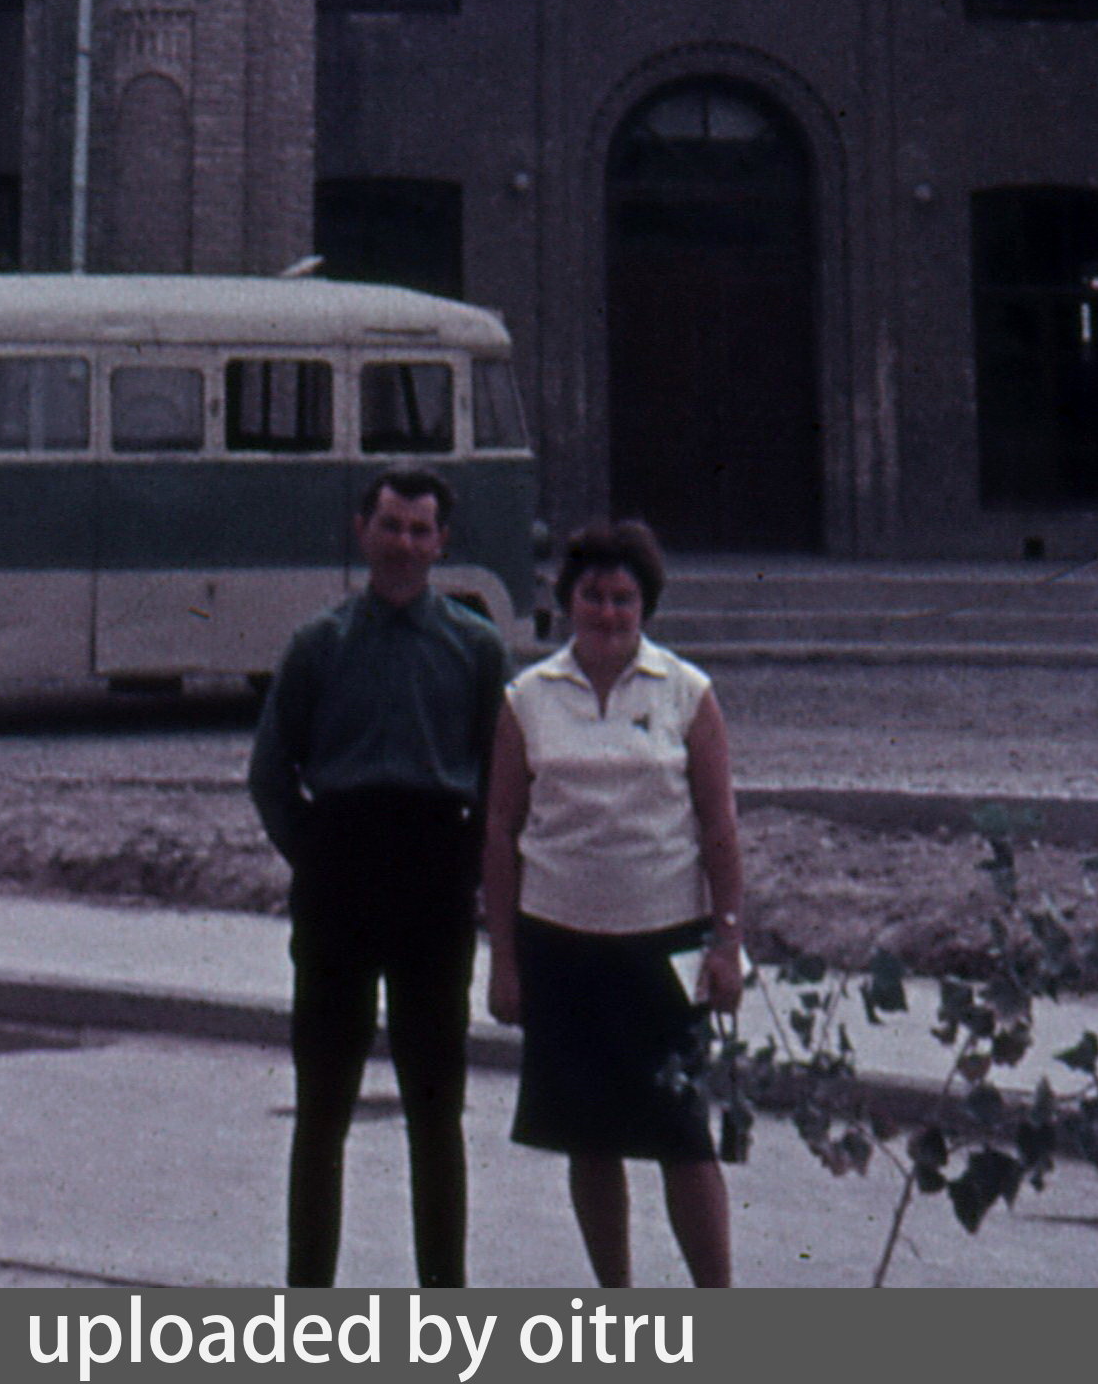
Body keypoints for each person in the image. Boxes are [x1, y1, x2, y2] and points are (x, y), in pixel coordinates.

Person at [247, 466, 510, 1287]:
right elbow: (268, 772)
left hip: (433, 880)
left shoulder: (476, 648)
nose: (403, 543)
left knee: (437, 1111)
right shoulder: (318, 645)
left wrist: (464, 866)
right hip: (339, 881)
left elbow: (505, 780)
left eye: (419, 529)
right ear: (362, 532)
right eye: (390, 525)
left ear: (441, 543)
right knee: (322, 1108)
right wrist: (320, 855)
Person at [481, 517, 744, 1291]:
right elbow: (500, 830)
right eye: (593, 596)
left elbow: (720, 825)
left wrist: (727, 943)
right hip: (560, 946)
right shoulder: (527, 697)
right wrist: (504, 958)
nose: (607, 612)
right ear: (568, 602)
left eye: (623, 598)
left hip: (664, 950)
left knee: (683, 1139)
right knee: (589, 1138)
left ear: (645, 605)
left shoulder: (688, 694)